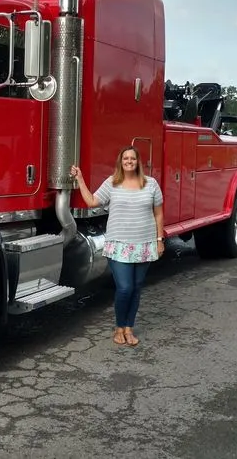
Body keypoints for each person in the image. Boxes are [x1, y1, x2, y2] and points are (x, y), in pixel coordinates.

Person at [70, 145, 164, 347]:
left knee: (137, 288)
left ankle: (129, 328)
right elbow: (92, 201)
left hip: (144, 244)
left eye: (132, 158)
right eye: (125, 159)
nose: (129, 161)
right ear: (121, 163)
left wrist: (159, 240)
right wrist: (80, 179)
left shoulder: (151, 184)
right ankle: (119, 327)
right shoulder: (112, 183)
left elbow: (158, 213)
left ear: (138, 162)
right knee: (125, 287)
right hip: (119, 244)